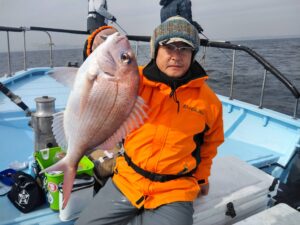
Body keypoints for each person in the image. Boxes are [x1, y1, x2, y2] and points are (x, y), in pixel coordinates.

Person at [76, 16, 224, 225]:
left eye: (184, 48)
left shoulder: (209, 102)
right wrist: (98, 41)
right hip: (128, 179)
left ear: (193, 54)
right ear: (156, 50)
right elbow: (100, 66)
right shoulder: (134, 79)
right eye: (168, 47)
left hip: (174, 190)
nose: (176, 56)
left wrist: (201, 178)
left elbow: (210, 145)